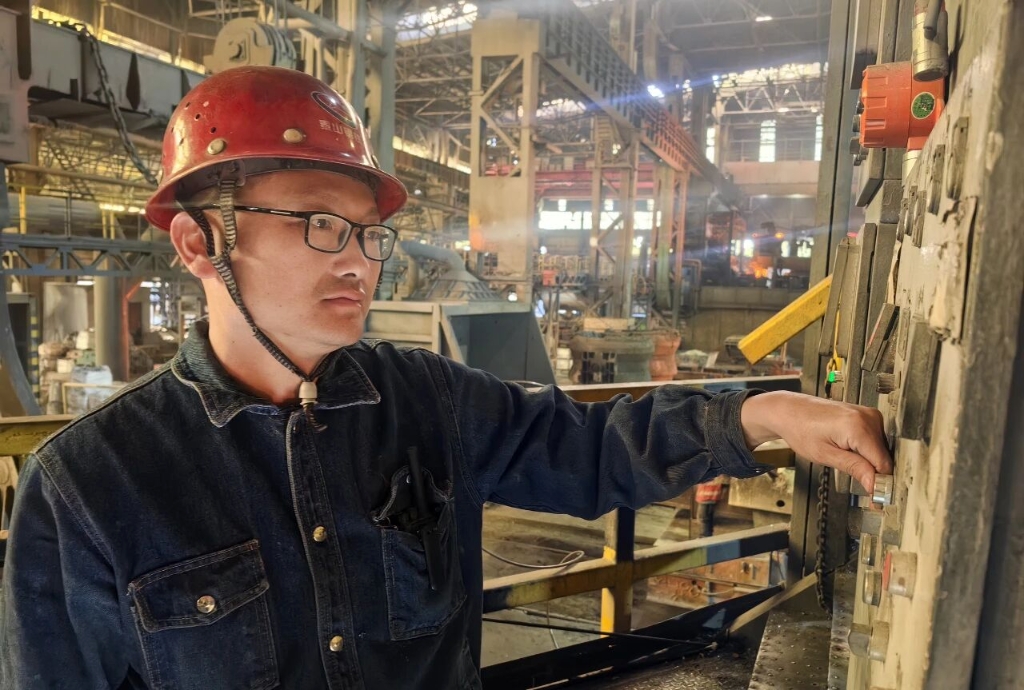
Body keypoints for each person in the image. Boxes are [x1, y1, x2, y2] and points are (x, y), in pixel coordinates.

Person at [0, 66, 892, 689]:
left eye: (369, 233)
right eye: (319, 224)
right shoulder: (89, 488)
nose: (359, 261)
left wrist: (761, 414)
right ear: (199, 241)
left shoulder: (426, 401)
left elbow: (588, 448)